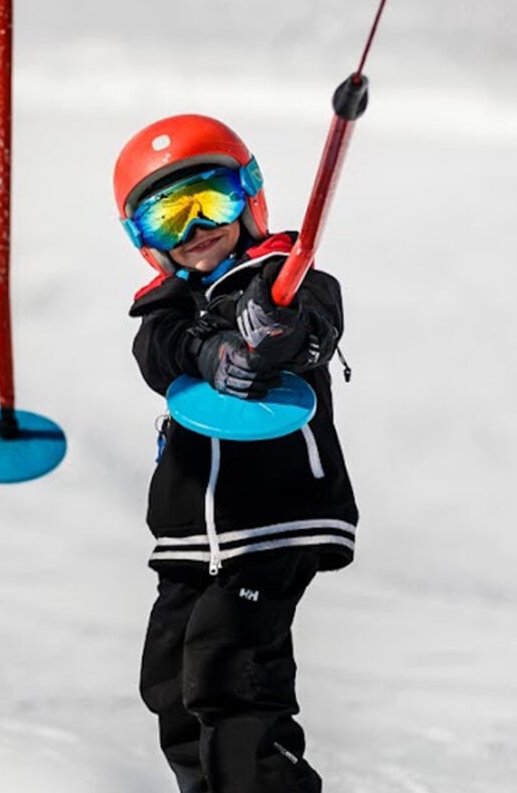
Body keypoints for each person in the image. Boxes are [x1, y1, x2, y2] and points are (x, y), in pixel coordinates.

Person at [113, 114, 355, 793]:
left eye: (211, 200)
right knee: (168, 682)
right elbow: (156, 352)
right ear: (144, 240)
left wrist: (280, 330)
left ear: (249, 197)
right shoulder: (165, 309)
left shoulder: (282, 275)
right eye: (169, 216)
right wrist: (207, 349)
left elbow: (317, 324)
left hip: (276, 514)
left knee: (231, 672)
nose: (196, 228)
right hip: (192, 534)